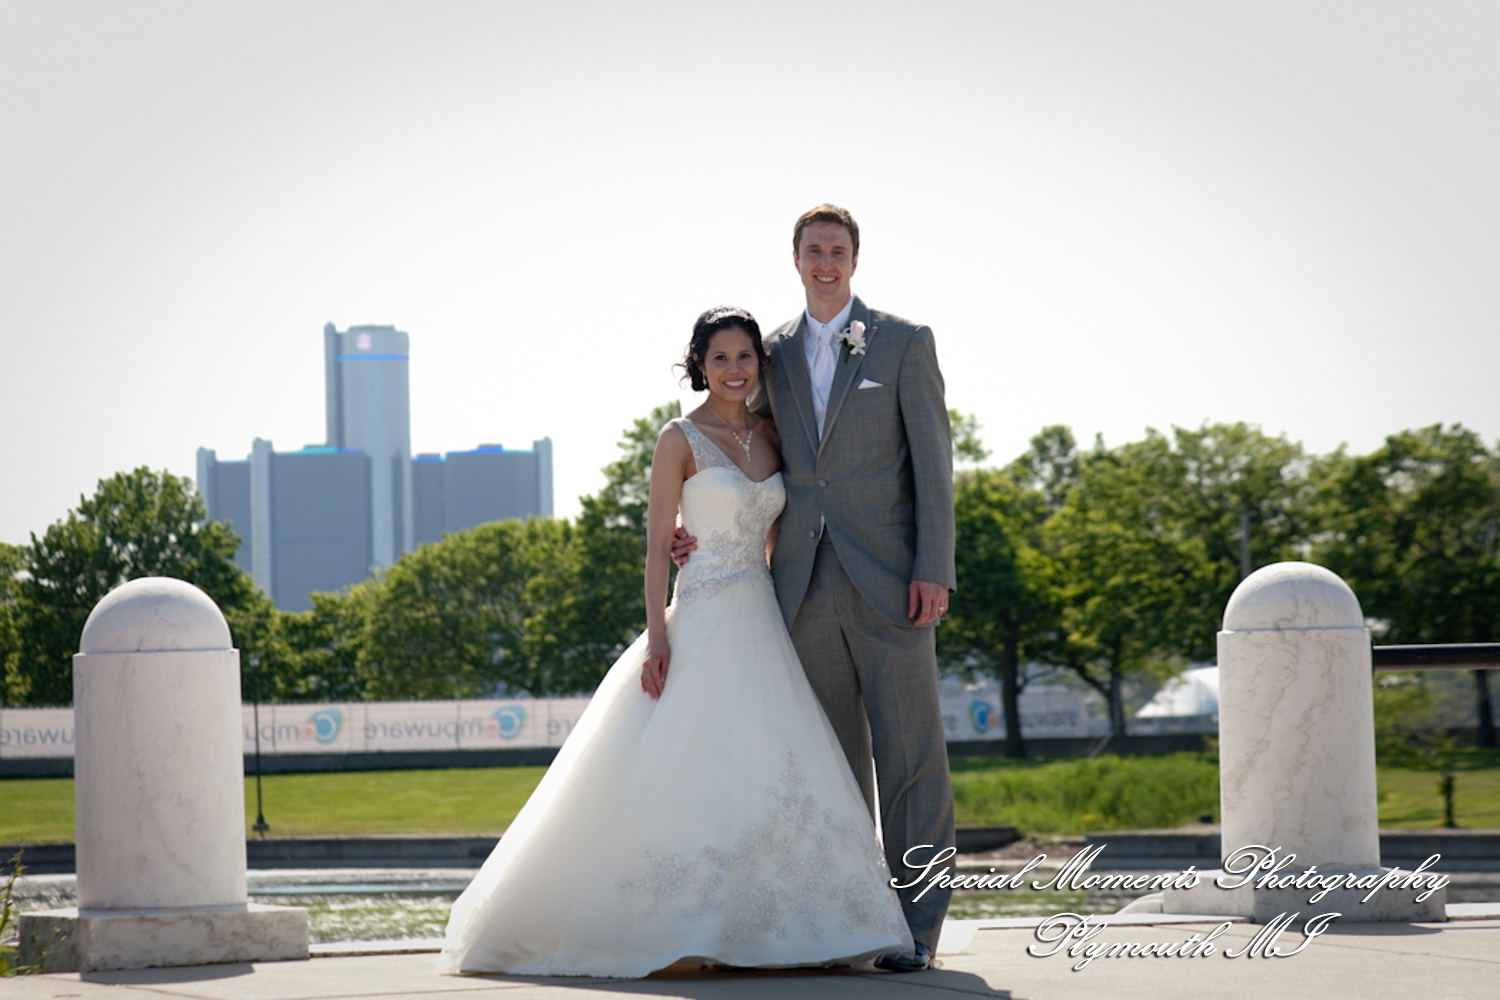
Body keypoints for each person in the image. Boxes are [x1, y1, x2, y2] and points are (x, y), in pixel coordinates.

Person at [437, 306, 913, 978]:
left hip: (765, 620)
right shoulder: (678, 438)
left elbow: (786, 534)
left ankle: (786, 930)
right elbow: (658, 549)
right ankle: (688, 930)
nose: (733, 369)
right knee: (692, 765)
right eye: (719, 358)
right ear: (699, 364)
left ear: (759, 364)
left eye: (745, 357)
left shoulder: (777, 435)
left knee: (772, 765)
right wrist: (659, 639)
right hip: (701, 616)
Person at [673, 205, 957, 971]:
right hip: (796, 583)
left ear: (854, 260)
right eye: (813, 251)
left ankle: (920, 925)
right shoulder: (771, 355)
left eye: (837, 250)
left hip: (894, 581)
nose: (824, 261)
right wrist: (691, 519)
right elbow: (732, 436)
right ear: (794, 260)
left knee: (912, 758)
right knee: (828, 764)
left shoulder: (903, 341)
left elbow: (933, 464)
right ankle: (849, 922)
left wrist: (936, 567)